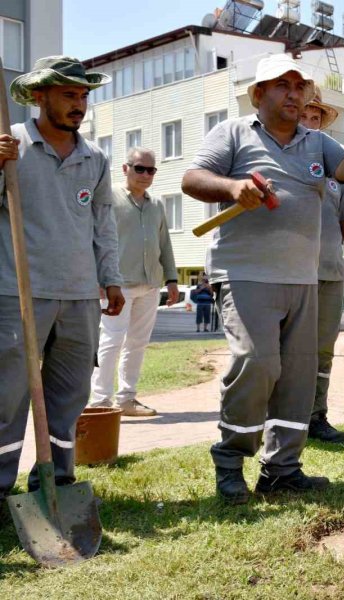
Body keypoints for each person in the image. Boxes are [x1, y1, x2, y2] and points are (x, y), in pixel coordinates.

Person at [181, 53, 344, 504]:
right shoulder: (233, 132)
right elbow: (192, 179)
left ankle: (283, 470)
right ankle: (231, 460)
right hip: (245, 274)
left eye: (299, 86)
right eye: (281, 85)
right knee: (257, 362)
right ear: (258, 94)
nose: (294, 94)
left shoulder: (316, 142)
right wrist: (233, 188)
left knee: (297, 374)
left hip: (303, 279)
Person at [0, 56, 124, 502]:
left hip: (79, 296)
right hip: (18, 292)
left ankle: (56, 485)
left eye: (84, 95)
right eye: (69, 94)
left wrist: (110, 278)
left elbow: (103, 223)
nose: (79, 104)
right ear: (39, 96)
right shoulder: (9, 146)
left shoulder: (95, 157)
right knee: (6, 399)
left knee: (69, 398)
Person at [299, 86, 344, 444]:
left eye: (316, 118)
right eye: (304, 116)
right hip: (289, 273)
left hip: (328, 272)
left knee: (323, 348)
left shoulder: (338, 170)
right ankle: (281, 417)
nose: (310, 123)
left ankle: (316, 415)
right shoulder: (286, 160)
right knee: (286, 349)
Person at [89, 147, 176, 417]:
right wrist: (98, 277)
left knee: (137, 343)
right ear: (125, 168)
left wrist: (171, 279)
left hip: (149, 285)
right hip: (117, 284)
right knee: (111, 341)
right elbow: (95, 239)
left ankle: (127, 399)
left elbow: (165, 244)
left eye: (151, 170)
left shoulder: (157, 205)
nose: (146, 175)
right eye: (140, 168)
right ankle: (100, 401)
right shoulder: (108, 199)